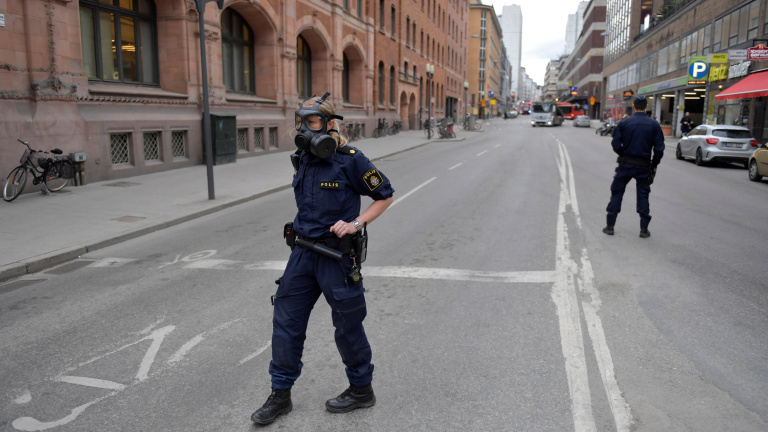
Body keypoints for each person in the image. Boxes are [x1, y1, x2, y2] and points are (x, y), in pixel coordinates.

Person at [251, 92, 395, 425]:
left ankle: (361, 389)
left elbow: (384, 196)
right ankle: (280, 394)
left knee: (347, 325)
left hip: (336, 257)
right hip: (302, 253)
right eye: (301, 121)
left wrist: (356, 223)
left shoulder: (351, 160)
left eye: (312, 121)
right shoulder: (302, 157)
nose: (305, 128)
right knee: (286, 323)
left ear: (329, 124)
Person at [603, 96, 664, 238]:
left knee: (617, 193)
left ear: (634, 106)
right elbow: (659, 149)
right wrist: (653, 165)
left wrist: (623, 153)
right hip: (644, 166)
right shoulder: (654, 124)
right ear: (646, 106)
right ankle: (644, 229)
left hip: (626, 164)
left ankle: (610, 226)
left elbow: (615, 144)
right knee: (643, 196)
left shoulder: (624, 122)